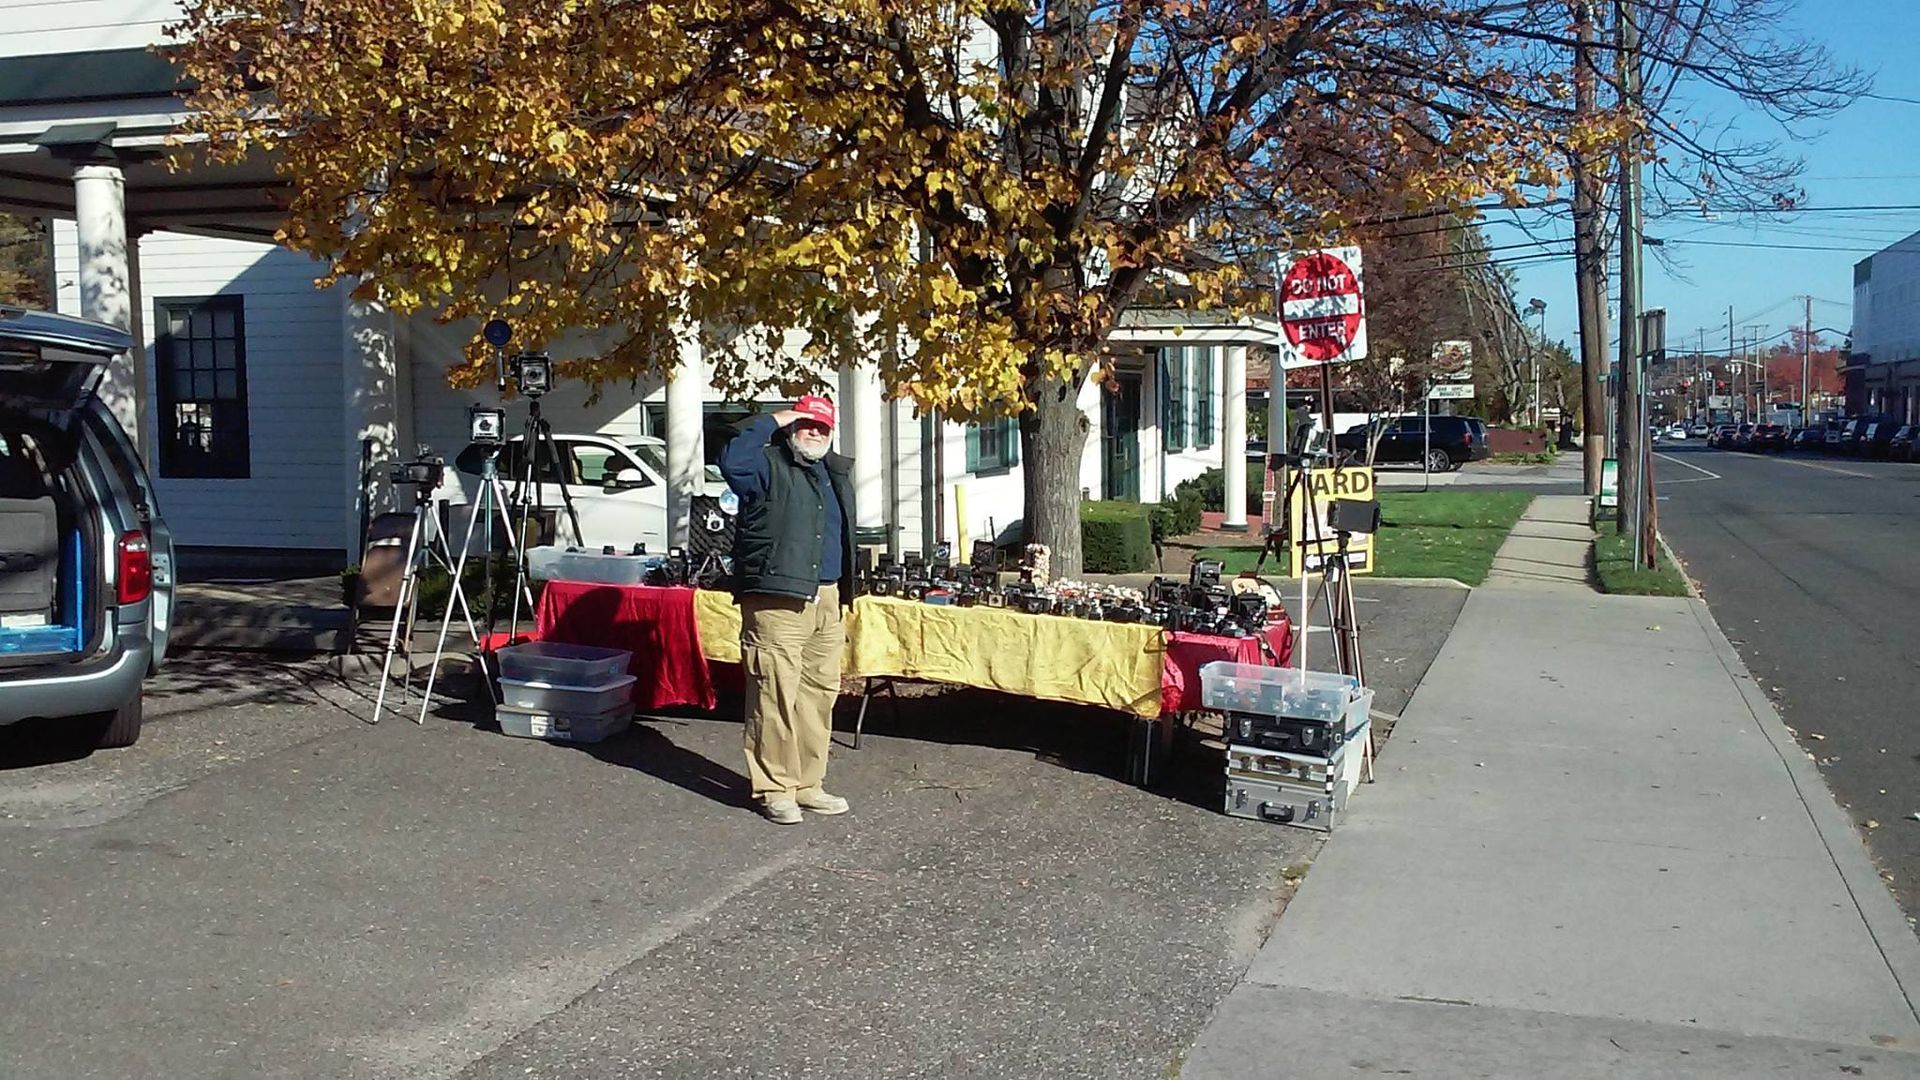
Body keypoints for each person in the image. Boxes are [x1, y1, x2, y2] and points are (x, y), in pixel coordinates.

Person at [719, 394, 857, 825]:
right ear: (790, 427)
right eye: (806, 423)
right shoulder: (763, 465)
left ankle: (807, 784)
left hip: (828, 598)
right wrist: (778, 417)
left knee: (819, 695)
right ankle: (775, 789)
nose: (815, 432)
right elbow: (732, 457)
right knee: (775, 695)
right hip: (777, 599)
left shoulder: (833, 473)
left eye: (823, 427)